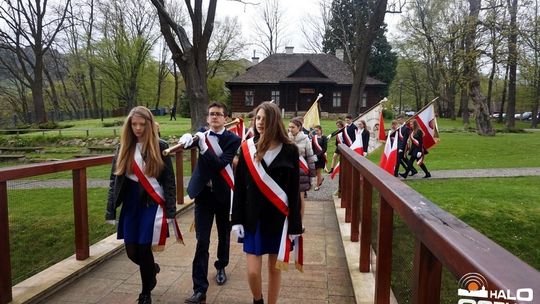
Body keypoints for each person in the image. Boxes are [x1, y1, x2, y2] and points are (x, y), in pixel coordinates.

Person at [231, 102, 302, 304]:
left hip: (279, 219)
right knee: (253, 272)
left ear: (275, 121)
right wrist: (236, 219)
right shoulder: (246, 148)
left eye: (265, 118)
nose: (260, 122)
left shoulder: (290, 150)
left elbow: (294, 192)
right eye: (258, 118)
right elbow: (239, 187)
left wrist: (295, 225)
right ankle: (258, 299)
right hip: (253, 218)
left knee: (274, 269)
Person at [106, 106, 177, 304]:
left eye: (142, 124)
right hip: (130, 204)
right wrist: (110, 209)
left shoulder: (160, 146)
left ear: (149, 125)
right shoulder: (123, 147)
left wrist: (171, 211)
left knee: (144, 248)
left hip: (151, 204)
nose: (138, 128)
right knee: (132, 252)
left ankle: (146, 292)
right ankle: (151, 269)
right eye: (134, 124)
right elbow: (115, 180)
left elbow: (169, 181)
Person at [177, 102, 241, 304]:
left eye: (219, 114)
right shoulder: (201, 135)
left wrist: (203, 147)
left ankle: (221, 265)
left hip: (223, 195)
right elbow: (189, 144)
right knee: (202, 241)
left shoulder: (233, 139)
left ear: (225, 118)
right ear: (207, 118)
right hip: (204, 195)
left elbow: (220, 164)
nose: (214, 117)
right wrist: (188, 140)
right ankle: (199, 288)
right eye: (211, 114)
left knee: (223, 235)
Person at [288, 117, 316, 225]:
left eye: (293, 127)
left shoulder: (305, 139)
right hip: (288, 172)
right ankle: (290, 221)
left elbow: (310, 158)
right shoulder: (285, 138)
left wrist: (312, 176)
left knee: (300, 198)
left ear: (299, 128)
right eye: (289, 127)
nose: (290, 129)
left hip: (301, 173)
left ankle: (299, 222)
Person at [311, 125, 327, 191]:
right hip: (314, 157)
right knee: (314, 172)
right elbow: (312, 148)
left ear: (320, 130)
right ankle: (321, 178)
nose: (316, 132)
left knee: (318, 172)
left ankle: (317, 186)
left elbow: (325, 148)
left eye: (317, 130)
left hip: (321, 157)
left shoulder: (324, 137)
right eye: (315, 131)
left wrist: (318, 155)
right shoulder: (313, 138)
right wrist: (313, 155)